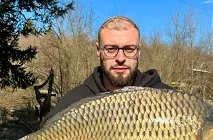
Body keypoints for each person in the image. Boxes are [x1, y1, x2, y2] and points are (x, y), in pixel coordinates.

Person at [46, 16, 174, 118]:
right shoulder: (72, 102)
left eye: (129, 49)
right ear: (98, 50)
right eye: (111, 49)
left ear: (138, 51)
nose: (120, 58)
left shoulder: (171, 102)